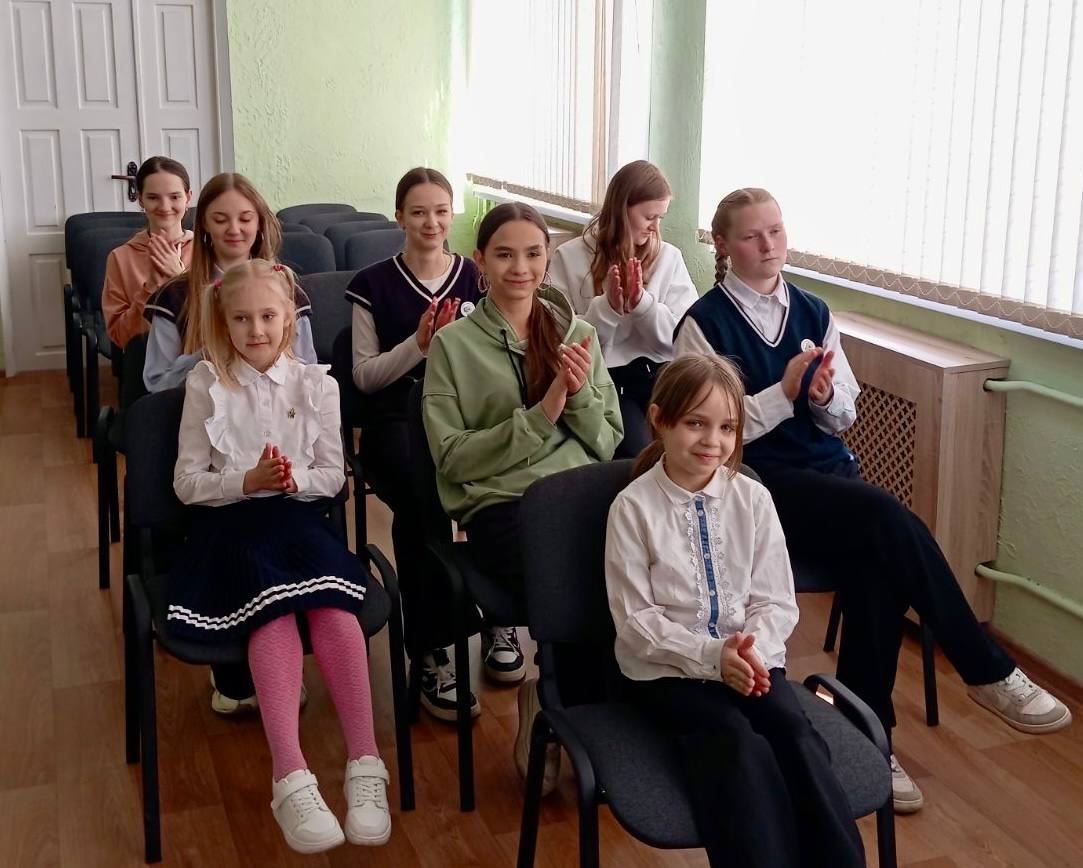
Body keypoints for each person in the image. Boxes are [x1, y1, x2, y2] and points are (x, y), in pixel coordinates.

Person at [674, 186, 1072, 813]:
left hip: (826, 479)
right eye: (752, 236)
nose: (769, 245)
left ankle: (867, 736)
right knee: (887, 519)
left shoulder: (814, 310)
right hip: (753, 486)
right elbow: (704, 434)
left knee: (877, 560)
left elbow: (845, 415)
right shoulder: (703, 322)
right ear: (722, 243)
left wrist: (824, 396)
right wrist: (783, 393)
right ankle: (983, 668)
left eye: (776, 231)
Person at [606, 353, 865, 868]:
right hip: (669, 673)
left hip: (753, 663)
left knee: (793, 732)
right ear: (659, 419)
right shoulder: (632, 509)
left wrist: (750, 654)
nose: (713, 441)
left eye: (727, 428)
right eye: (695, 424)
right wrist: (712, 657)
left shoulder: (753, 498)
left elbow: (775, 599)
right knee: (734, 743)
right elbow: (636, 623)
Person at [170, 260, 390, 852]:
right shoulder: (206, 384)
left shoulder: (318, 385)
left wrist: (295, 482)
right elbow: (186, 483)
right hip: (231, 528)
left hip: (299, 520)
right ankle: (289, 776)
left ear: (289, 319)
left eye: (268, 316)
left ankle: (365, 763)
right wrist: (245, 482)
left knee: (333, 609)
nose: (256, 329)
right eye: (242, 319)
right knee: (272, 611)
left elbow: (332, 475)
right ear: (224, 322)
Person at [422, 202, 622, 792]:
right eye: (505, 255)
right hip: (503, 508)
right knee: (574, 583)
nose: (520, 268)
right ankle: (560, 709)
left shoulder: (578, 335)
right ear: (479, 261)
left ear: (547, 258)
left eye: (533, 254)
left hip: (578, 496)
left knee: (627, 581)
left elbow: (608, 440)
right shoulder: (452, 346)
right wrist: (542, 416)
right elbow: (452, 457)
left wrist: (578, 396)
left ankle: (571, 709)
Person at [345, 167, 487, 722]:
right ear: (399, 216)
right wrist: (419, 346)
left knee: (505, 483)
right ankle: (431, 650)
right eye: (419, 212)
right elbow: (364, 377)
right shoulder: (372, 284)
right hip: (397, 419)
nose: (432, 222)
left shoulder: (474, 276)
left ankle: (498, 620)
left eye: (441, 211)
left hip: (466, 416)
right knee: (422, 498)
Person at [549, 160, 697, 456]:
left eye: (660, 217)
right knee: (642, 455)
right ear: (620, 210)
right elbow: (560, 338)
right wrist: (608, 309)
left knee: (690, 445)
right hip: (605, 379)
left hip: (662, 376)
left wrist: (642, 305)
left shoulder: (669, 257)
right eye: (649, 217)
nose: (655, 227)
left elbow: (683, 337)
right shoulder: (569, 256)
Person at [143, 172, 316, 393]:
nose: (234, 229)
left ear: (259, 222)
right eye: (220, 220)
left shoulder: (289, 292)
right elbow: (158, 384)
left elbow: (308, 372)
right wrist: (212, 354)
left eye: (245, 219)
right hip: (198, 408)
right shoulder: (173, 296)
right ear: (204, 223)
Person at [102, 156, 194, 349]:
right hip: (145, 358)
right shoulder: (120, 258)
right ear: (141, 200)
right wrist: (150, 288)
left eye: (175, 197)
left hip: (201, 356)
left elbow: (220, 322)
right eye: (153, 197)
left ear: (188, 198)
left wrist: (179, 279)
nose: (165, 207)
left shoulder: (207, 249)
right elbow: (120, 336)